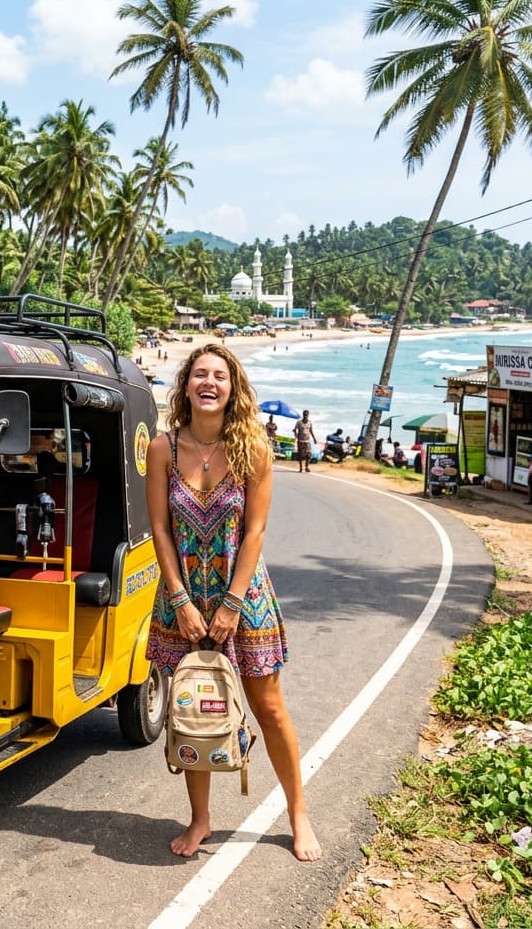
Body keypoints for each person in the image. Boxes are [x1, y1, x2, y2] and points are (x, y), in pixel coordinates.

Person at [145, 344, 321, 863]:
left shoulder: (253, 448)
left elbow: (256, 531)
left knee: (268, 707)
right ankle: (200, 819)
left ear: (233, 387)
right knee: (193, 706)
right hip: (183, 596)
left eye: (219, 376)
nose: (209, 382)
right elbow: (159, 528)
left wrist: (232, 603)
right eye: (199, 374)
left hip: (243, 594)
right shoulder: (164, 448)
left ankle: (298, 812)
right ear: (186, 385)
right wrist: (180, 599)